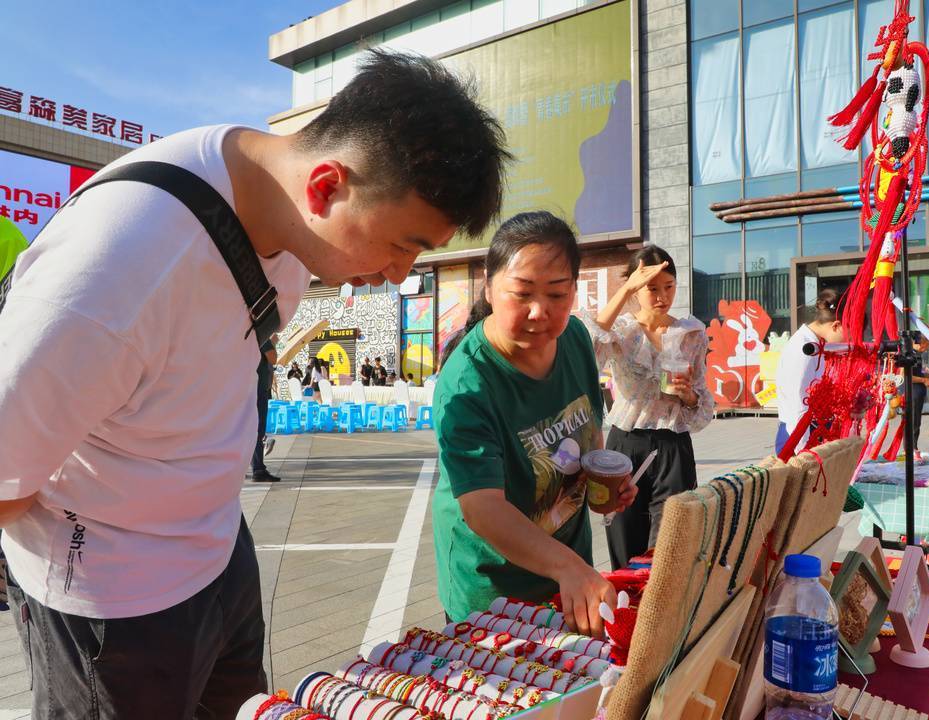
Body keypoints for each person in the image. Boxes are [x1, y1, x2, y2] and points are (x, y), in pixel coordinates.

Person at [0, 49, 509, 718]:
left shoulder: (283, 217)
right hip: (114, 606)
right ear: (327, 186)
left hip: (219, 556)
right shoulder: (113, 270)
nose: (398, 272)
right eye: (402, 245)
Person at [432, 211, 637, 638]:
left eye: (558, 295)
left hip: (566, 579)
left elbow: (587, 441)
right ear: (488, 287)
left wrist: (603, 488)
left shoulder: (576, 340)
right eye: (521, 294)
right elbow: (483, 508)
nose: (540, 311)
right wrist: (568, 567)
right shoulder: (467, 382)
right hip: (493, 594)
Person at [586, 246, 715, 570]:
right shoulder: (621, 331)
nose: (662, 296)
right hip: (625, 444)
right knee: (624, 540)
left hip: (673, 445)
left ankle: (662, 615)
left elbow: (701, 397)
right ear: (635, 289)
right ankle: (626, 615)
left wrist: (687, 395)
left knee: (671, 546)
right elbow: (587, 351)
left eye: (669, 286)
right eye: (652, 288)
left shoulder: (691, 333)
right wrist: (624, 290)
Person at [774, 289, 846, 454]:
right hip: (798, 437)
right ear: (836, 325)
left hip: (811, 432)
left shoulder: (816, 344)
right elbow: (798, 406)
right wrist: (804, 450)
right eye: (849, 331)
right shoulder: (804, 349)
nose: (848, 340)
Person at [251, 335, 280, 482]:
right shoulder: (260, 334)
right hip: (258, 389)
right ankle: (258, 469)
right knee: (258, 429)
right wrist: (271, 343)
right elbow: (273, 358)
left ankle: (256, 465)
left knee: (250, 428)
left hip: (248, 387)